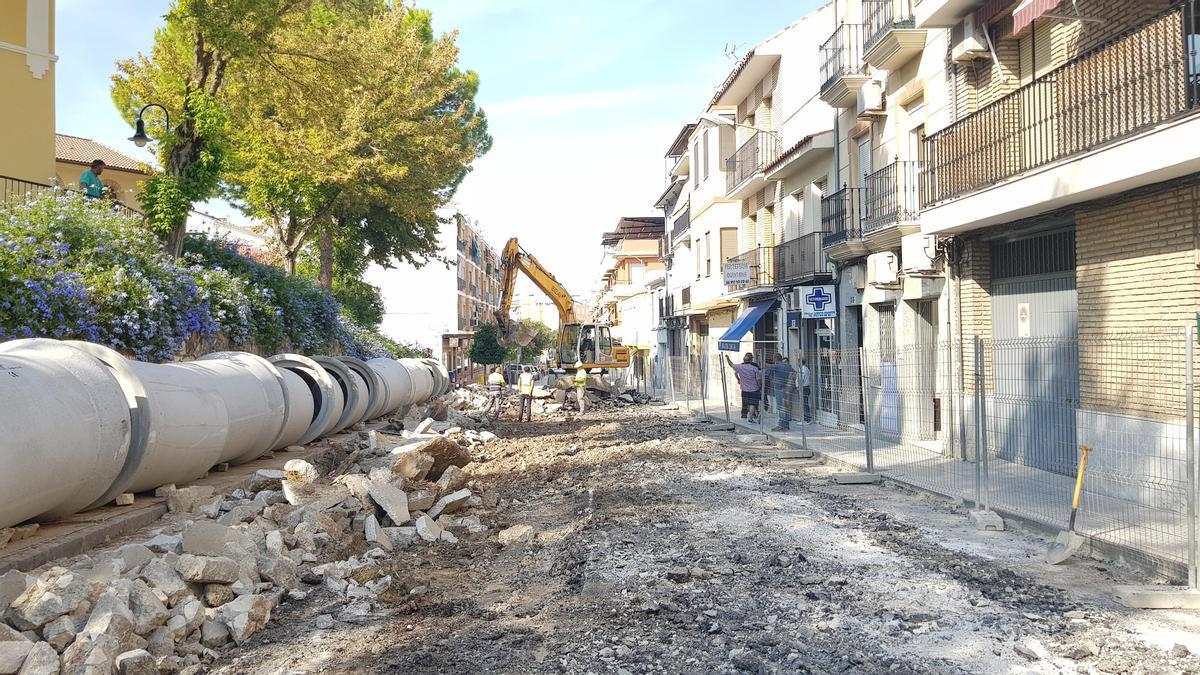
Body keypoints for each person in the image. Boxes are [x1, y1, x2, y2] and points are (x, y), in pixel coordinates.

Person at [724, 352, 762, 423]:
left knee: (747, 403)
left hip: (744, 389)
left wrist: (727, 358)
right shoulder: (754, 368)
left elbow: (731, 364)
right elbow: (758, 379)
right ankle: (750, 418)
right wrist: (760, 386)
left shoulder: (740, 367)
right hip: (754, 389)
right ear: (751, 360)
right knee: (753, 404)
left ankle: (754, 415)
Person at [762, 353, 796, 431]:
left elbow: (767, 366)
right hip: (786, 389)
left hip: (779, 389)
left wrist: (761, 359)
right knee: (785, 407)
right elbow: (794, 373)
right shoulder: (787, 366)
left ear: (775, 359)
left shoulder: (777, 366)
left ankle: (781, 425)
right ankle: (786, 425)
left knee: (781, 408)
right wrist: (790, 382)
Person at [800, 357, 813, 424]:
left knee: (804, 404)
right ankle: (806, 419)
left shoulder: (802, 369)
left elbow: (801, 379)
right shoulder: (806, 369)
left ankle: (807, 419)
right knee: (805, 403)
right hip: (806, 387)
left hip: (803, 388)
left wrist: (798, 386)